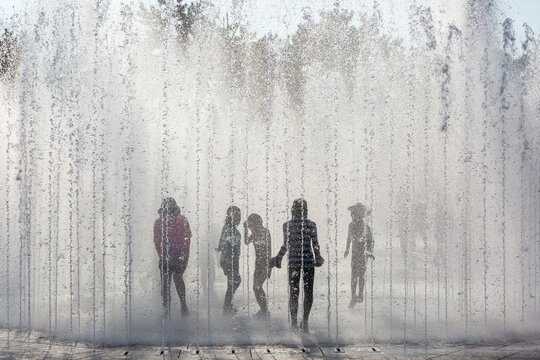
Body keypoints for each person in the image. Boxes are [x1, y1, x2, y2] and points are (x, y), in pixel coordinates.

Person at [269, 198, 324, 333]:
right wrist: (318, 258)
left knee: (294, 292)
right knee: (308, 292)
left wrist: (279, 258)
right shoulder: (311, 224)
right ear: (305, 210)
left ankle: (293, 323)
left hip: (293, 262)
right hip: (308, 262)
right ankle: (304, 322)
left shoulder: (287, 225)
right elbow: (315, 244)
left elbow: (286, 245)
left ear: (292, 210)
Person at [153, 197, 192, 318]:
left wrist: (161, 255)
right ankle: (183, 306)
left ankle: (166, 311)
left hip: (166, 257)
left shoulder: (159, 222)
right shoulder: (183, 219)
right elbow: (188, 239)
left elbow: (156, 241)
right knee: (179, 279)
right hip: (180, 256)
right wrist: (185, 256)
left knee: (165, 284)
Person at [344, 202, 374, 309]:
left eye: (355, 214)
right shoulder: (351, 225)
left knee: (361, 275)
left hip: (362, 255)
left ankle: (360, 295)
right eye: (353, 214)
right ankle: (353, 297)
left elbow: (371, 241)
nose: (353, 216)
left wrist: (369, 252)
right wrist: (347, 249)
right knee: (353, 276)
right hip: (354, 254)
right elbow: (349, 237)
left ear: (360, 215)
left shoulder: (366, 227)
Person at [243, 213, 271, 318]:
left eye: (251, 224)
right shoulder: (255, 233)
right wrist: (246, 229)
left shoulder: (265, 231)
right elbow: (246, 242)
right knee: (256, 288)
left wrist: (269, 267)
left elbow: (268, 249)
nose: (250, 227)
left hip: (265, 264)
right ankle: (264, 310)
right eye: (249, 225)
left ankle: (265, 311)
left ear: (257, 222)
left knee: (257, 286)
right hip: (258, 264)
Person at [217, 206, 242, 314]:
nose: (240, 218)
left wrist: (219, 248)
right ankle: (226, 307)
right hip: (230, 260)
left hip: (229, 259)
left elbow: (222, 239)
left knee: (232, 283)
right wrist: (227, 261)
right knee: (235, 282)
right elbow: (227, 244)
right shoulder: (230, 229)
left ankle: (227, 306)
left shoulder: (226, 227)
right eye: (238, 215)